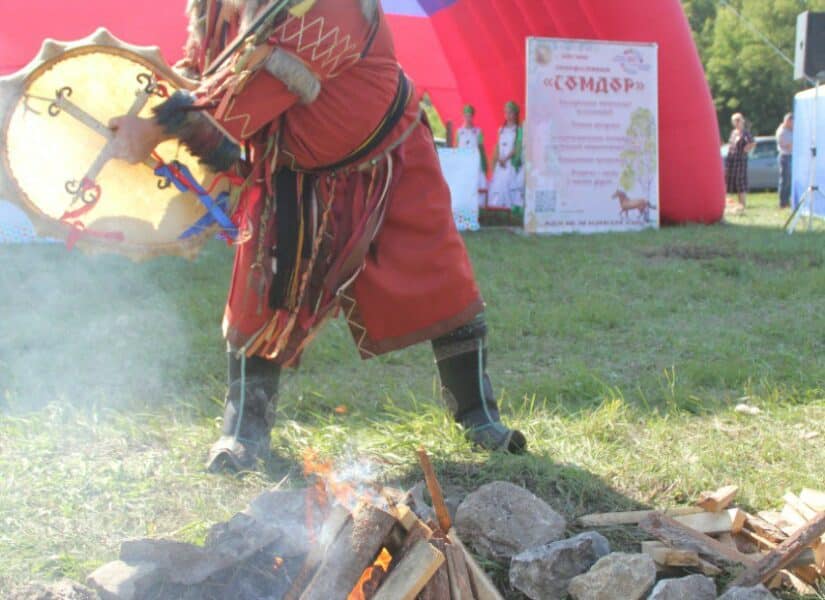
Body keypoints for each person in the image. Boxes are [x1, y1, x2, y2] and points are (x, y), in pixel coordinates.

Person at [107, 0, 526, 471]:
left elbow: (255, 88)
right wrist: (147, 108)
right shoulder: (214, 6)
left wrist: (155, 128)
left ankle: (477, 414)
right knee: (258, 295)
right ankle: (243, 431)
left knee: (439, 276)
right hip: (290, 171)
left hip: (387, 157)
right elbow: (204, 72)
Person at [488, 101, 524, 209]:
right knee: (497, 186)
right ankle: (497, 209)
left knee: (509, 186)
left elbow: (517, 147)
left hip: (510, 163)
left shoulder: (518, 130)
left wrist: (506, 159)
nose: (508, 115)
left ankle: (511, 210)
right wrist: (499, 159)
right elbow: (498, 146)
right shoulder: (501, 130)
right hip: (500, 163)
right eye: (506, 112)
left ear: (515, 114)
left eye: (510, 113)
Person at [454, 105, 488, 207]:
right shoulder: (459, 132)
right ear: (463, 116)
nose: (468, 118)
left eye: (470, 116)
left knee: (476, 184)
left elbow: (481, 148)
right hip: (463, 165)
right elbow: (456, 148)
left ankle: (479, 206)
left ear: (473, 117)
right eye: (466, 116)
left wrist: (484, 165)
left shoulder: (478, 131)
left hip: (475, 164)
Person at [724, 112, 755, 212]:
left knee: (740, 182)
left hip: (740, 161)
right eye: (735, 120)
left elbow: (752, 143)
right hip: (731, 160)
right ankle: (732, 205)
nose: (737, 122)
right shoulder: (733, 132)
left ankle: (742, 205)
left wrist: (746, 149)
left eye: (738, 120)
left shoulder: (745, 133)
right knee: (729, 182)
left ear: (742, 121)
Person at [775, 112, 793, 209]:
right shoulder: (782, 131)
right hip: (785, 157)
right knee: (785, 180)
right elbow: (788, 145)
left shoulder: (791, 130)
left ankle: (788, 201)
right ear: (787, 121)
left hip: (792, 156)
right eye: (792, 122)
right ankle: (783, 202)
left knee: (790, 180)